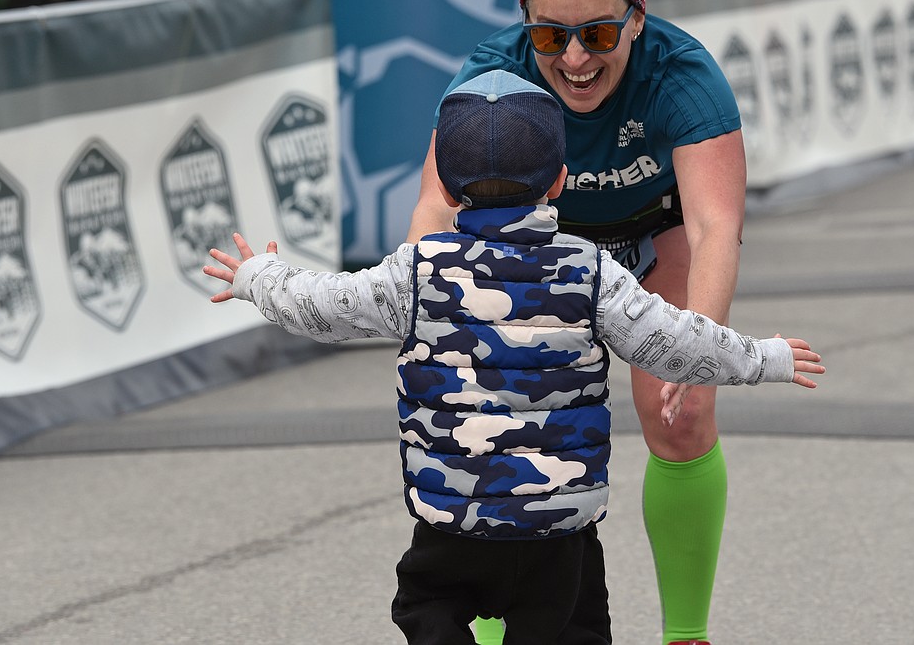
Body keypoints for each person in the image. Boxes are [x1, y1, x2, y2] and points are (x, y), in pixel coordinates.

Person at [207, 70, 825, 644]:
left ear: (446, 188)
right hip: (559, 529)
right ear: (560, 180)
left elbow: (323, 306)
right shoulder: (590, 272)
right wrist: (764, 357)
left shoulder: (417, 272)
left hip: (453, 523)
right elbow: (677, 342)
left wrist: (257, 275)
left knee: (425, 606)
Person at [407, 0, 752, 645]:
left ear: (636, 17)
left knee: (685, 412)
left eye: (599, 33)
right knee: (494, 434)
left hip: (654, 239)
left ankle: (685, 633)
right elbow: (437, 205)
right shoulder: (491, 75)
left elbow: (714, 223)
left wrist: (701, 355)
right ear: (524, 27)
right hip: (532, 244)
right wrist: (431, 319)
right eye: (550, 36)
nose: (574, 59)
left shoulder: (683, 74)